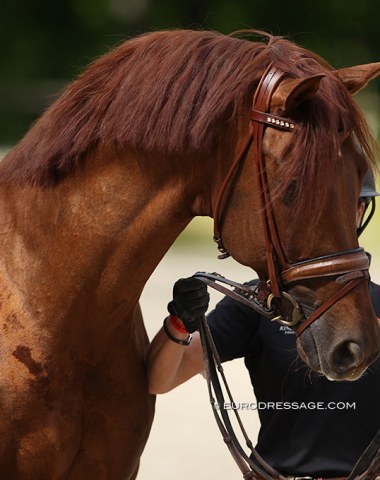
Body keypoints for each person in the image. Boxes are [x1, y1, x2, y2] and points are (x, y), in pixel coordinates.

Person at [147, 172, 380, 480]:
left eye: (339, 203)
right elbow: (161, 380)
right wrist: (179, 321)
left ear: (360, 210)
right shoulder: (258, 303)